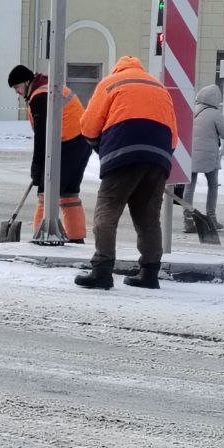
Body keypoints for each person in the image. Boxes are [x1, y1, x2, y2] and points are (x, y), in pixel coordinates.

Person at [75, 55, 178, 291]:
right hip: (158, 157)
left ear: (117, 68)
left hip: (123, 153)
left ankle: (102, 271)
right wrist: (158, 158)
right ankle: (149, 274)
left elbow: (88, 124)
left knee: (107, 212)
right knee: (148, 218)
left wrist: (100, 146)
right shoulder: (159, 87)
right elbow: (174, 133)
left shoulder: (111, 82)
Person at [8, 64, 91, 242]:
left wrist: (37, 166)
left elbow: (42, 137)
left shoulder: (40, 97)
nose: (17, 92)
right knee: (69, 194)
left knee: (47, 194)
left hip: (67, 145)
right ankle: (77, 238)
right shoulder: (49, 87)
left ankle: (41, 237)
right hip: (81, 144)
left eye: (17, 87)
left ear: (27, 81)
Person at [183, 83, 224, 233]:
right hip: (209, 157)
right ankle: (211, 218)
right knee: (212, 185)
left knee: (189, 186)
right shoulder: (216, 114)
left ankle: (188, 220)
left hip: (190, 154)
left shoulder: (191, 110)